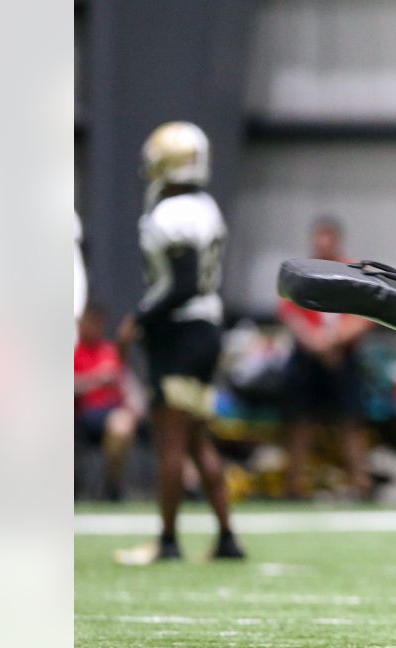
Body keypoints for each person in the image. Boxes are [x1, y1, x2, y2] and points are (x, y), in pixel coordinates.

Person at [114, 121, 245, 564]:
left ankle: (168, 540)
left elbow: (185, 281)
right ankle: (227, 537)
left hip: (180, 333)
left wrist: (139, 319)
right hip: (206, 327)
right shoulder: (204, 206)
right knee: (196, 440)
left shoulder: (172, 213)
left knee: (170, 442)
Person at [278, 216, 375, 500]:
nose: (323, 243)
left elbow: (366, 315)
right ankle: (294, 484)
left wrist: (333, 341)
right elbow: (289, 313)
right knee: (299, 419)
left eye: (328, 236)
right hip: (307, 356)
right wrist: (315, 343)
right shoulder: (299, 272)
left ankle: (362, 483)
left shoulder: (355, 271)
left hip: (344, 356)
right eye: (319, 237)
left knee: (352, 419)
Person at [74, 303, 142, 501]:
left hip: (114, 412)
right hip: (84, 414)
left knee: (123, 424)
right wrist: (96, 379)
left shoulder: (111, 352)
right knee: (120, 422)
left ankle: (112, 484)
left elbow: (128, 381)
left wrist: (135, 401)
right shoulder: (74, 353)